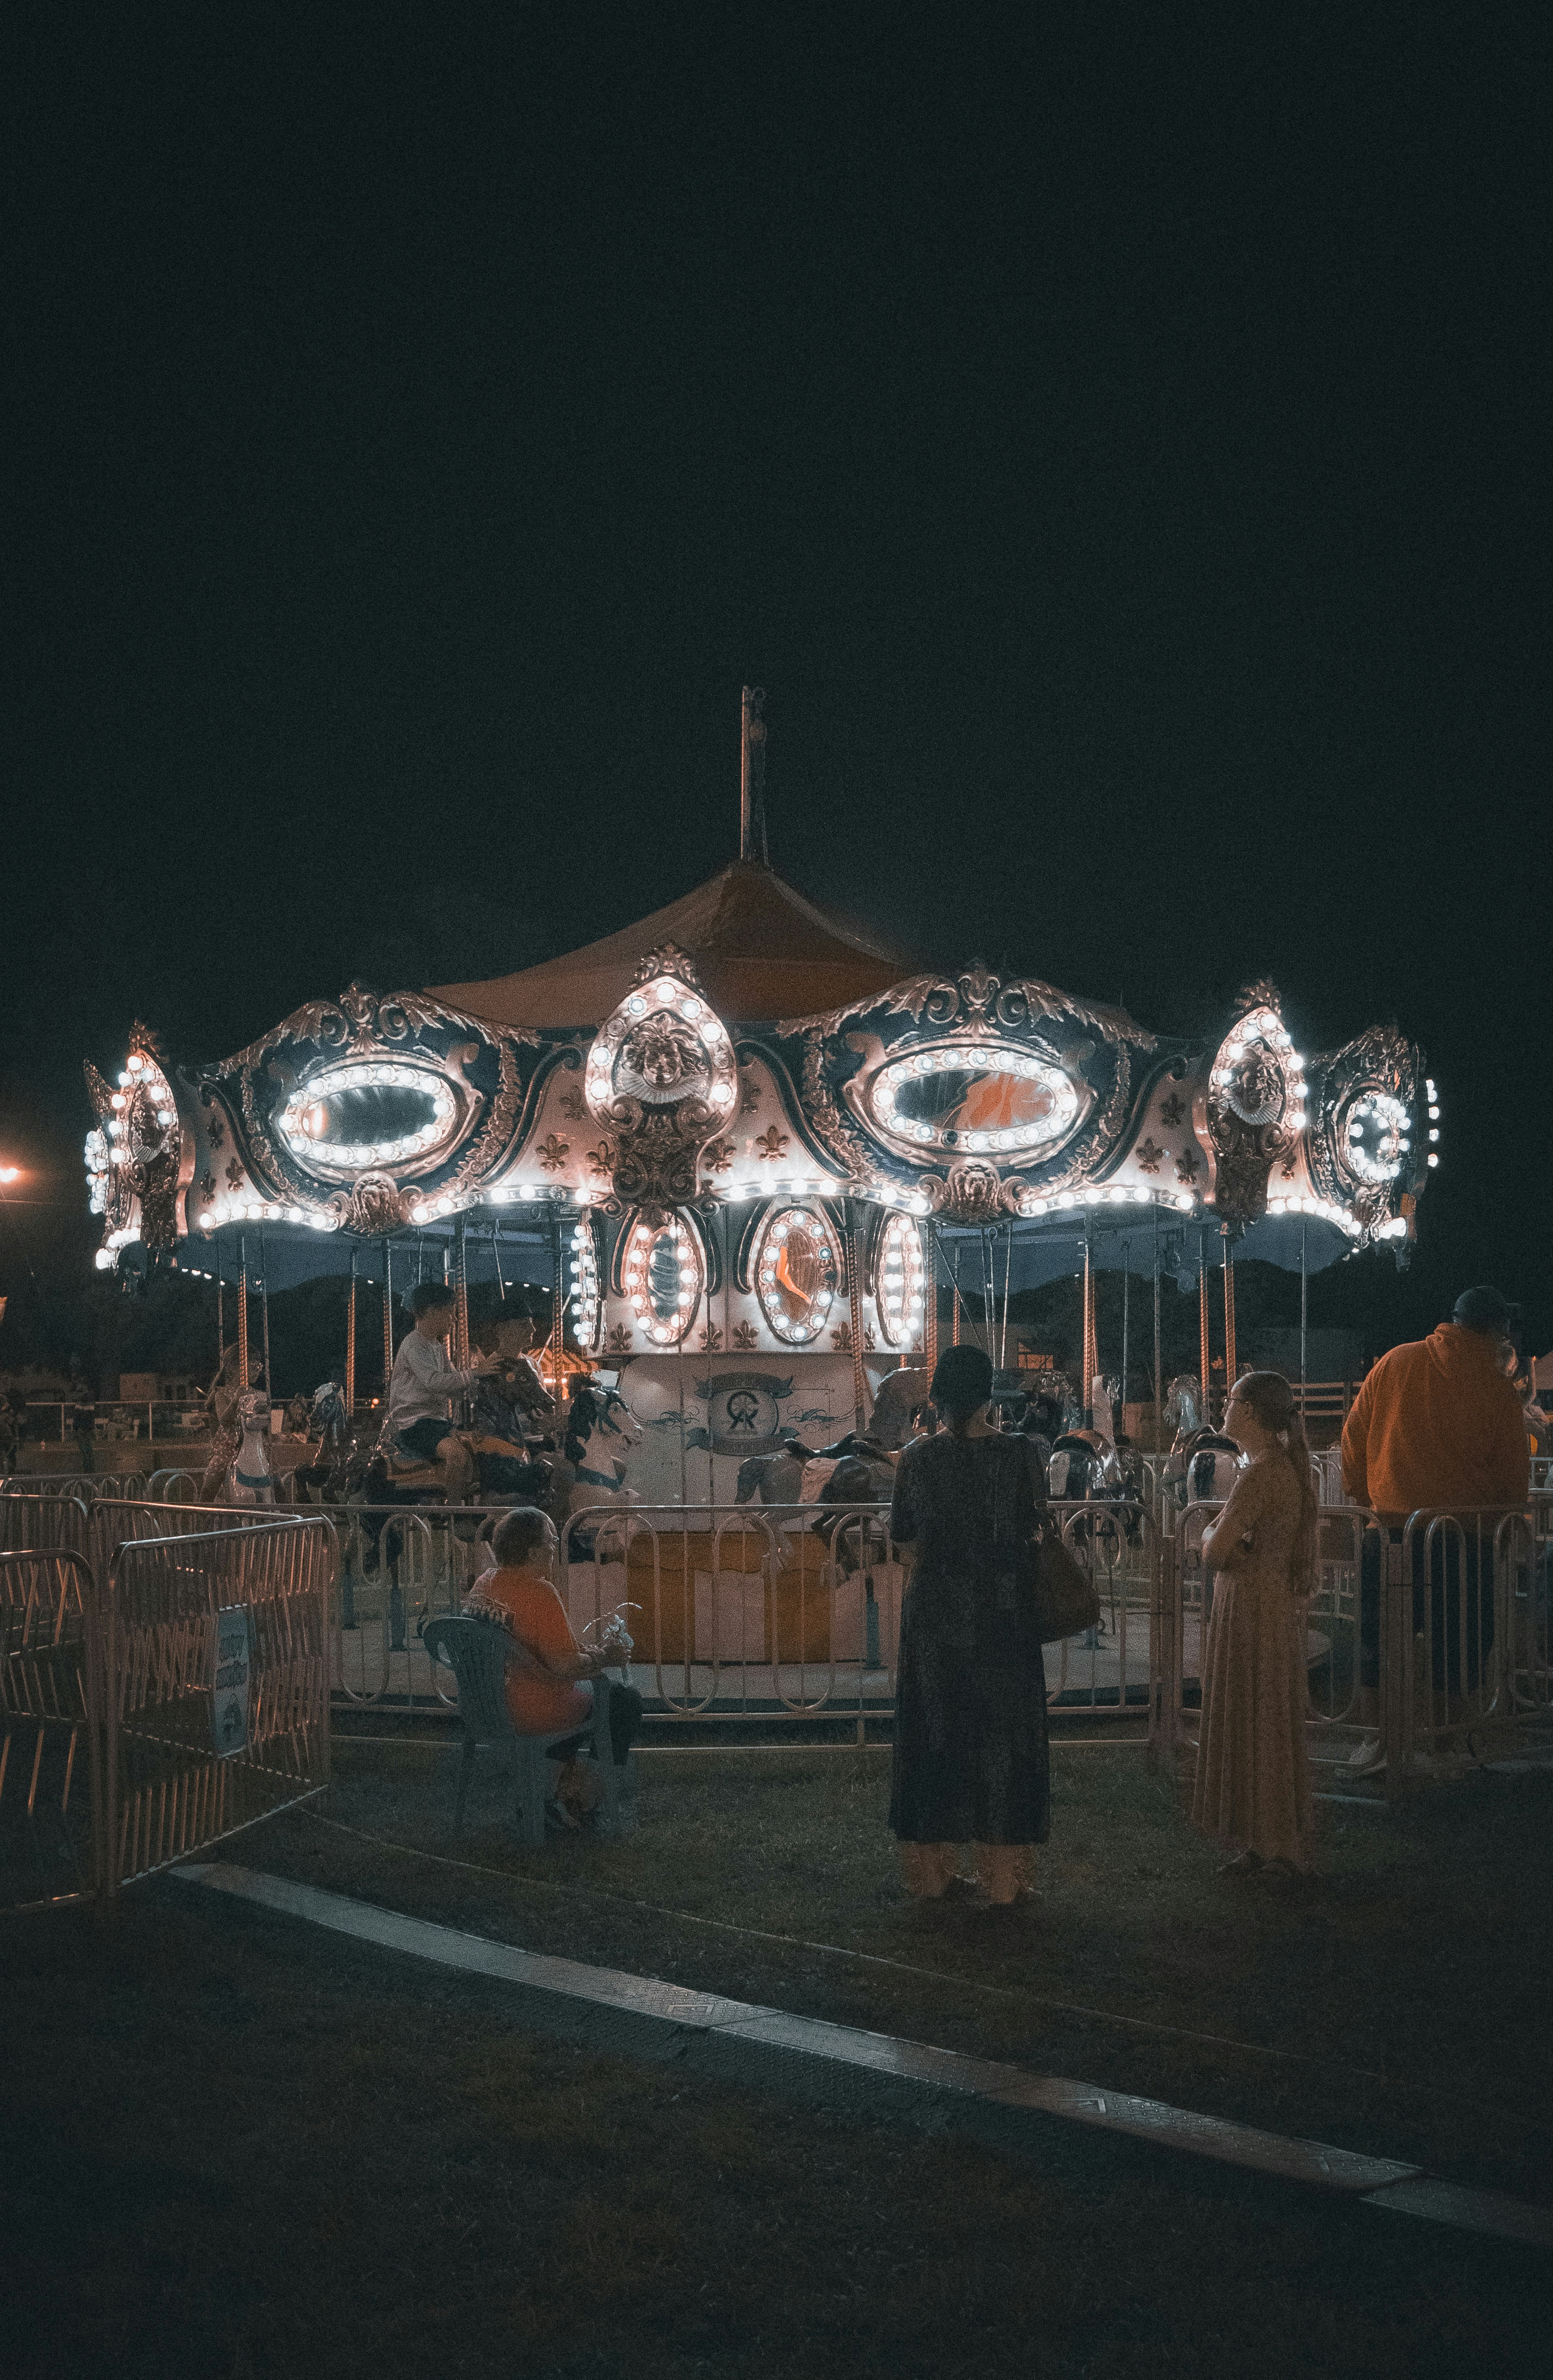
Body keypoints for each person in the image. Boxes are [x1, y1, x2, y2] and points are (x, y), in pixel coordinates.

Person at [887, 1342, 1049, 1908]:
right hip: (1001, 1614)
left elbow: (904, 1540)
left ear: (936, 1397)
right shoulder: (1020, 1455)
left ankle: (932, 1874)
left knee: (934, 1734)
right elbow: (1034, 1526)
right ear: (987, 1396)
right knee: (1001, 1739)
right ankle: (1002, 1880)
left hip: (934, 1614)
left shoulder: (916, 1459)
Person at [1342, 1286, 1528, 1708]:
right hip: (1465, 1537)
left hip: (1388, 1530)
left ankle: (1379, 1745)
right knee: (1459, 1649)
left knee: (1379, 1640)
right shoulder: (1496, 1388)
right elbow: (1511, 1476)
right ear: (1498, 1330)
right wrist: (1504, 1526)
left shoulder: (1394, 1362)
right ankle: (1445, 1751)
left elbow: (1352, 1440)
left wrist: (1363, 1500)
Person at [1191, 1371, 1317, 1877]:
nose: (1223, 1406)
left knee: (1255, 1716)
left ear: (1248, 1412)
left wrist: (1206, 1532)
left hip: (1248, 1606)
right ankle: (1267, 1839)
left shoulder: (1261, 1473)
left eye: (1230, 1400)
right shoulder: (1279, 1469)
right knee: (1264, 1717)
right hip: (1265, 1602)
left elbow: (1217, 1550)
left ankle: (1271, 1839)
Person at [463, 1505, 643, 1820]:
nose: (555, 1546)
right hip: (534, 1711)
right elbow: (563, 1666)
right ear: (533, 1552)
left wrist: (585, 1653)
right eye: (550, 1540)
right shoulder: (539, 1592)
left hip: (488, 1706)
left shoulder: (485, 1582)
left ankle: (551, 1788)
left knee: (592, 1694)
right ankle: (581, 1797)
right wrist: (605, 1656)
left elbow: (537, 1651)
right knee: (624, 1701)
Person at [382, 1282, 499, 1498]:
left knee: (482, 1449)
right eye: (450, 1313)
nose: (454, 1320)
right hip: (415, 1425)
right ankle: (455, 1511)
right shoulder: (414, 1345)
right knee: (457, 1455)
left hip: (436, 1423)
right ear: (433, 1312)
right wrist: (474, 1374)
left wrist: (479, 1382)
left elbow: (454, 1384)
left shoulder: (436, 1346)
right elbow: (434, 1382)